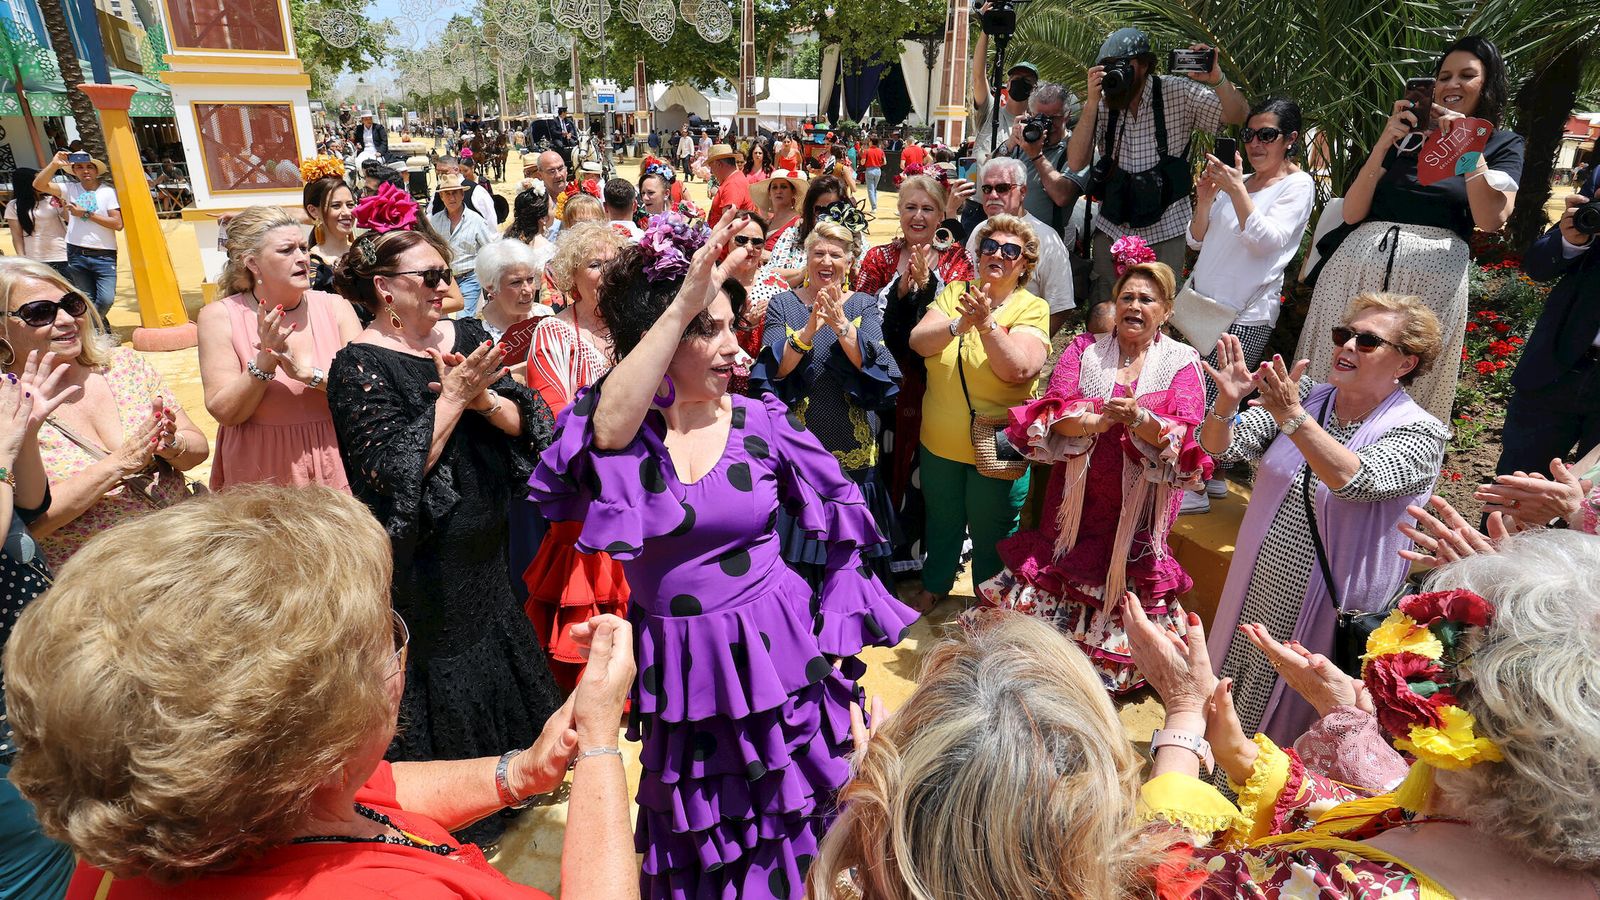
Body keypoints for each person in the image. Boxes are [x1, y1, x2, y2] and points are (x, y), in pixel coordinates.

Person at [817, 528, 1600, 900]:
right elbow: (1381, 810)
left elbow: (1157, 867)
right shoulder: (1502, 835)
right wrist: (1326, 729)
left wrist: (1183, 720)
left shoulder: (1330, 890)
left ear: (1456, 719)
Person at [528, 214, 917, 899]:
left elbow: (846, 519)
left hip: (779, 660)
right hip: (683, 680)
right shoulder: (621, 438)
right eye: (706, 330)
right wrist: (682, 303)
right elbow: (602, 430)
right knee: (704, 835)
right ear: (658, 336)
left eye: (732, 326)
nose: (733, 348)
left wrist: (830, 630)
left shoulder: (762, 422)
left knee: (795, 825)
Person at [3, 485, 640, 899]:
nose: (398, 654)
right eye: (386, 637)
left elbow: (377, 793)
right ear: (324, 722)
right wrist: (600, 748)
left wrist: (521, 772)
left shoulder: (186, 806)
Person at [327, 229, 561, 846]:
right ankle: (463, 803)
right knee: (448, 662)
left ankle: (515, 776)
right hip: (426, 562)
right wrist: (452, 399)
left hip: (487, 546)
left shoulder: (469, 335)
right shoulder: (359, 366)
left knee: (497, 638)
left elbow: (530, 418)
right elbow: (387, 472)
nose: (444, 286)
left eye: (445, 273)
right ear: (385, 289)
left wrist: (482, 400)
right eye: (428, 276)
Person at [1200, 292, 1447, 744]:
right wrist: (1226, 405)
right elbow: (1221, 448)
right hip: (1258, 583)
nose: (1348, 346)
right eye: (1344, 334)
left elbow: (1355, 480)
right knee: (1235, 685)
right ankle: (1212, 769)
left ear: (1405, 363)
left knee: (1292, 710)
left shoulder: (1419, 430)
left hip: (1328, 605)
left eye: (1368, 341)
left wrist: (1292, 416)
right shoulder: (1309, 397)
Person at [979, 250, 1208, 693]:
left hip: (1139, 510)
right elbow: (1052, 414)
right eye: (1127, 297)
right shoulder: (1084, 349)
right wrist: (1098, 420)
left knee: (1125, 576)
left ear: (1167, 311)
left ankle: (1100, 680)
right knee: (1063, 569)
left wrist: (1140, 419)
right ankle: (1049, 668)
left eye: (1147, 299)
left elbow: (1185, 433)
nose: (1134, 306)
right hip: (1076, 501)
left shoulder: (1183, 361)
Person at [1299, 35, 1523, 420]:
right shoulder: (1405, 138)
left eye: (1466, 75)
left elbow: (1491, 219)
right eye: (1444, 76)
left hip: (1429, 287)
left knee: (1410, 383)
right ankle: (1302, 445)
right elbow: (1352, 213)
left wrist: (1468, 144)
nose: (1452, 84)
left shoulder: (1501, 144)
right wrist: (1384, 143)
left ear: (1487, 84)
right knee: (1330, 365)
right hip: (1355, 273)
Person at [5, 261, 207, 567]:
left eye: (72, 304)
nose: (66, 319)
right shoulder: (6, 407)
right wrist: (118, 464)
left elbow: (198, 450)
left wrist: (172, 444)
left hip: (186, 555)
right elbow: (23, 529)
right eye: (40, 312)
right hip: (98, 580)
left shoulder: (123, 365)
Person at [907, 214, 1050, 611]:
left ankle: (991, 604)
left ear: (1024, 264)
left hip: (999, 442)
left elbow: (1018, 369)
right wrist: (959, 324)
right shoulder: (956, 292)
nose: (997, 255)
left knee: (995, 529)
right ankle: (935, 584)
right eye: (990, 246)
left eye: (1010, 250)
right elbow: (919, 342)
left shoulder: (1032, 307)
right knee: (942, 519)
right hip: (940, 441)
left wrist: (986, 325)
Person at [1180, 97, 1315, 512]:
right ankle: (1214, 477)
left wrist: (1237, 188)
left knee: (1213, 396)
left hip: (1245, 313)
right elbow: (1195, 240)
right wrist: (1206, 198)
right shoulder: (1240, 182)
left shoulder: (1298, 185)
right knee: (1196, 392)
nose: (1255, 143)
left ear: (1290, 139)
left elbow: (1266, 242)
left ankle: (1193, 485)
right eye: (1250, 134)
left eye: (1267, 135)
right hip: (1202, 304)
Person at [752, 216, 901, 586]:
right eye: (818, 253)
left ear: (849, 262)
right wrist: (808, 330)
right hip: (798, 450)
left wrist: (841, 326)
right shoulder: (783, 304)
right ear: (807, 258)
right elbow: (775, 370)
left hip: (853, 451)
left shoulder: (864, 305)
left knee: (850, 563)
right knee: (798, 561)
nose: (826, 262)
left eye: (835, 255)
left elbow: (878, 365)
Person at [1066, 28, 1248, 305]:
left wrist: (1218, 79)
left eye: (1122, 65)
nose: (1116, 72)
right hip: (1113, 228)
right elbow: (1076, 161)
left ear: (1143, 64)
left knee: (1159, 308)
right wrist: (1091, 103)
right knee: (1105, 309)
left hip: (1166, 229)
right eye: (1108, 66)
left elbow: (1239, 115)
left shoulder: (1177, 91)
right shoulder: (1102, 103)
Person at [857, 175, 974, 580]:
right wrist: (902, 291)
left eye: (928, 209)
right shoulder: (879, 257)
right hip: (887, 380)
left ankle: (927, 554)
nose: (918, 216)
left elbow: (959, 316)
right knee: (887, 459)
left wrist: (926, 289)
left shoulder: (957, 259)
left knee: (928, 467)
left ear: (942, 215)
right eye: (911, 207)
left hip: (936, 381)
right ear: (899, 211)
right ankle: (883, 548)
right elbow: (861, 312)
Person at [198, 206, 362, 492]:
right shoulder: (219, 317)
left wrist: (307, 375)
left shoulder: (336, 307)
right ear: (253, 263)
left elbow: (368, 388)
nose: (303, 258)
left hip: (335, 457)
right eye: (287, 250)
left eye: (303, 248)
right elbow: (225, 412)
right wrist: (263, 365)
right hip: (260, 469)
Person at [1495, 160, 1599, 477]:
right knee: (1516, 489)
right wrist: (1571, 241)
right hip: (1558, 367)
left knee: (1595, 501)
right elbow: (1539, 265)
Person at [967, 157, 1076, 335]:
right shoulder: (979, 231)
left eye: (1002, 188)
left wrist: (1033, 343)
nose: (993, 195)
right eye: (987, 189)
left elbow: (1060, 306)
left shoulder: (1047, 238)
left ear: (1023, 192)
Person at [32, 151, 123, 317]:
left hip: (104, 254)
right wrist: (54, 164)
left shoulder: (108, 192)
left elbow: (117, 224)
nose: (85, 170)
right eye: (79, 167)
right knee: (87, 299)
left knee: (106, 299)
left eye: (89, 167)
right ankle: (96, 329)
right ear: (74, 171)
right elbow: (39, 185)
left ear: (96, 170)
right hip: (76, 251)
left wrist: (86, 214)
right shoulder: (70, 188)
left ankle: (91, 326)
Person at [427, 173, 498, 316]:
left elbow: (489, 249)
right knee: (440, 317)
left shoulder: (476, 220)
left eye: (455, 193)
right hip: (443, 278)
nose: (451, 198)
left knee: (464, 318)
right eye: (447, 194)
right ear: (441, 197)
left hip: (469, 278)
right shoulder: (434, 221)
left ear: (462, 195)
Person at [761, 174, 850, 287]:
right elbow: (770, 277)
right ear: (810, 209)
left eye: (833, 209)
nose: (826, 215)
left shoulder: (854, 238)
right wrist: (806, 271)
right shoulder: (792, 235)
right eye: (820, 209)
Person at [474, 237, 550, 345]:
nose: (528, 290)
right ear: (491, 287)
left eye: (530, 279)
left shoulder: (546, 315)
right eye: (516, 282)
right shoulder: (477, 333)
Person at [5, 168, 70, 278]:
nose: (42, 183)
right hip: (35, 258)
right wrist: (22, 258)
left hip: (62, 253)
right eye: (37, 180)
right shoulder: (14, 206)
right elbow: (17, 236)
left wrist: (64, 204)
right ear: (26, 184)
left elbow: (69, 220)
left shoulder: (52, 199)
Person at [302, 165, 357, 295]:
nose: (347, 212)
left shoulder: (363, 253)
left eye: (350, 205)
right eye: (336, 206)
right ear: (313, 211)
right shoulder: (310, 265)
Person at [503, 183, 558, 278]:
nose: (554, 211)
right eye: (552, 208)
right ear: (543, 218)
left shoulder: (505, 238)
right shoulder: (549, 251)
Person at [749, 168, 805, 251]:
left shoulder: (799, 222)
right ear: (769, 194)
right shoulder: (767, 223)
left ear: (793, 192)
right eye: (774, 187)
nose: (778, 191)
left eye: (784, 187)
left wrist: (763, 254)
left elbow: (800, 255)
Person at [705, 143, 757, 227]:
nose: (711, 172)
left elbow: (727, 224)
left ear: (718, 164)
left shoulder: (733, 184)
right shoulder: (734, 179)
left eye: (711, 167)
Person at [860, 136, 886, 210]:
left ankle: (874, 207)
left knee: (871, 190)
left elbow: (862, 162)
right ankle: (874, 205)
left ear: (871, 142)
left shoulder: (867, 151)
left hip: (869, 170)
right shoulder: (881, 151)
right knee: (874, 189)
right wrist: (878, 164)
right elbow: (885, 162)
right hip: (878, 170)